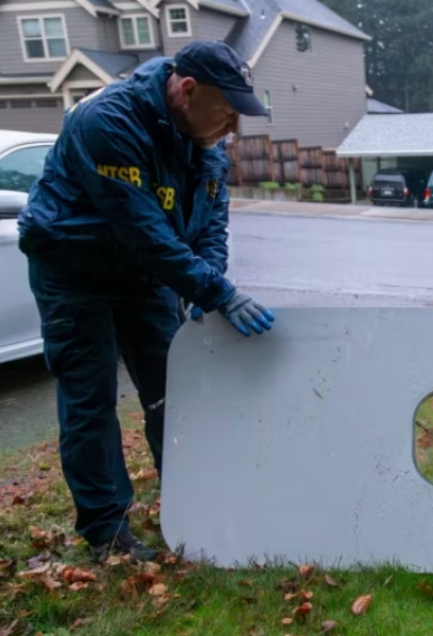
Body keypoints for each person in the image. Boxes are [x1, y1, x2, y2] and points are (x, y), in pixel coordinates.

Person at [17, 40, 275, 563]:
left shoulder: (206, 145)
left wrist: (209, 282)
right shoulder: (107, 121)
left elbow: (211, 225)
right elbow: (143, 230)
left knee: (175, 393)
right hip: (74, 267)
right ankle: (107, 532)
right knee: (91, 401)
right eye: (226, 113)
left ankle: (191, 502)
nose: (232, 130)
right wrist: (216, 292)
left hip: (144, 273)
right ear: (187, 91)